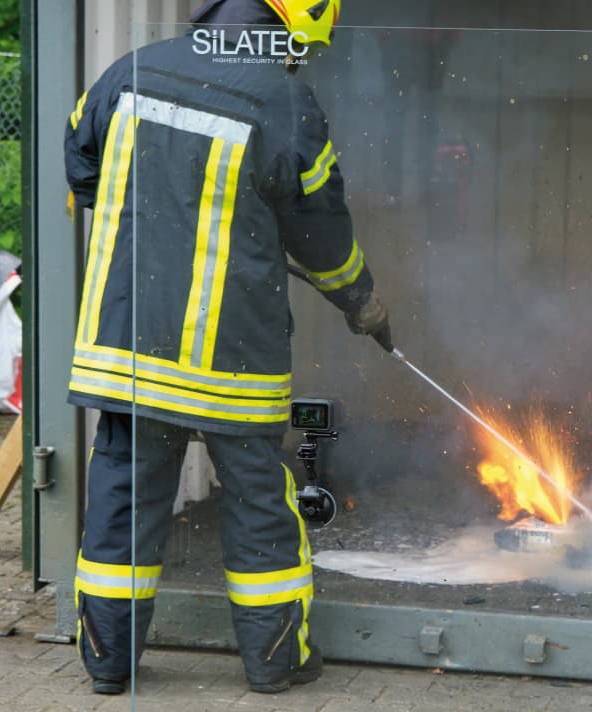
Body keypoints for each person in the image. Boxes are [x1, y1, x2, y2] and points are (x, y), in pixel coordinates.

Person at [62, 0, 390, 696]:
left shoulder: (131, 71)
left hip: (128, 346)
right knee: (258, 500)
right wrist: (360, 299)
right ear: (287, 29)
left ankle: (105, 662)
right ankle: (274, 661)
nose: (300, 60)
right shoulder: (284, 99)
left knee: (124, 490)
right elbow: (322, 235)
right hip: (230, 358)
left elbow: (81, 166)